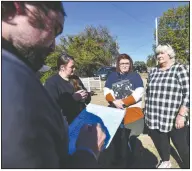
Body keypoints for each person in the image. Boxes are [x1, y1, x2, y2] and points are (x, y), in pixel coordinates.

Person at [2, 2, 105, 168]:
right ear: (17, 6)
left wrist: (84, 98)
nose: (53, 46)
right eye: (53, 29)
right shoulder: (18, 78)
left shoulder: (23, 73)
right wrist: (88, 152)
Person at [144, 44, 189, 168]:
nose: (159, 56)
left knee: (182, 146)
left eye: (162, 53)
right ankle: (165, 161)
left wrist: (181, 115)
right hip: (155, 116)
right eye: (157, 54)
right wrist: (146, 112)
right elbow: (148, 93)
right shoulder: (153, 71)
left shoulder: (179, 69)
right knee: (161, 141)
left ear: (170, 55)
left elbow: (188, 93)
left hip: (174, 117)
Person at [102, 54, 145, 167]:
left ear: (130, 64)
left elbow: (139, 93)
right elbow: (106, 91)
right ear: (118, 65)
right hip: (115, 112)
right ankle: (117, 159)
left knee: (131, 140)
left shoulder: (135, 76)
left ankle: (131, 162)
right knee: (116, 139)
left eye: (127, 63)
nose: (124, 65)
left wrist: (123, 102)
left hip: (132, 112)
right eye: (122, 63)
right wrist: (114, 101)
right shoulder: (112, 76)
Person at [44, 54, 91, 124]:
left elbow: (87, 100)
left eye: (74, 66)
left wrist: (86, 95)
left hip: (82, 121)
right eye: (72, 67)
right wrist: (73, 99)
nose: (74, 69)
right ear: (62, 67)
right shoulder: (51, 83)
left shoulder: (76, 79)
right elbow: (51, 108)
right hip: (66, 125)